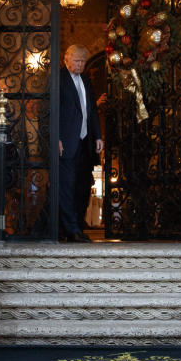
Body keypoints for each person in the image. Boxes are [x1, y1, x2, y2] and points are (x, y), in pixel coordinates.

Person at [58, 44, 103, 243]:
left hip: (86, 143)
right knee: (66, 187)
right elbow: (52, 110)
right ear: (66, 60)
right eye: (76, 61)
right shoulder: (58, 78)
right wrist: (56, 138)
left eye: (83, 61)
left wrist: (98, 136)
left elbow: (91, 110)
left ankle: (77, 226)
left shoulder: (85, 79)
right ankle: (70, 230)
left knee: (82, 187)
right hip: (66, 143)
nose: (80, 65)